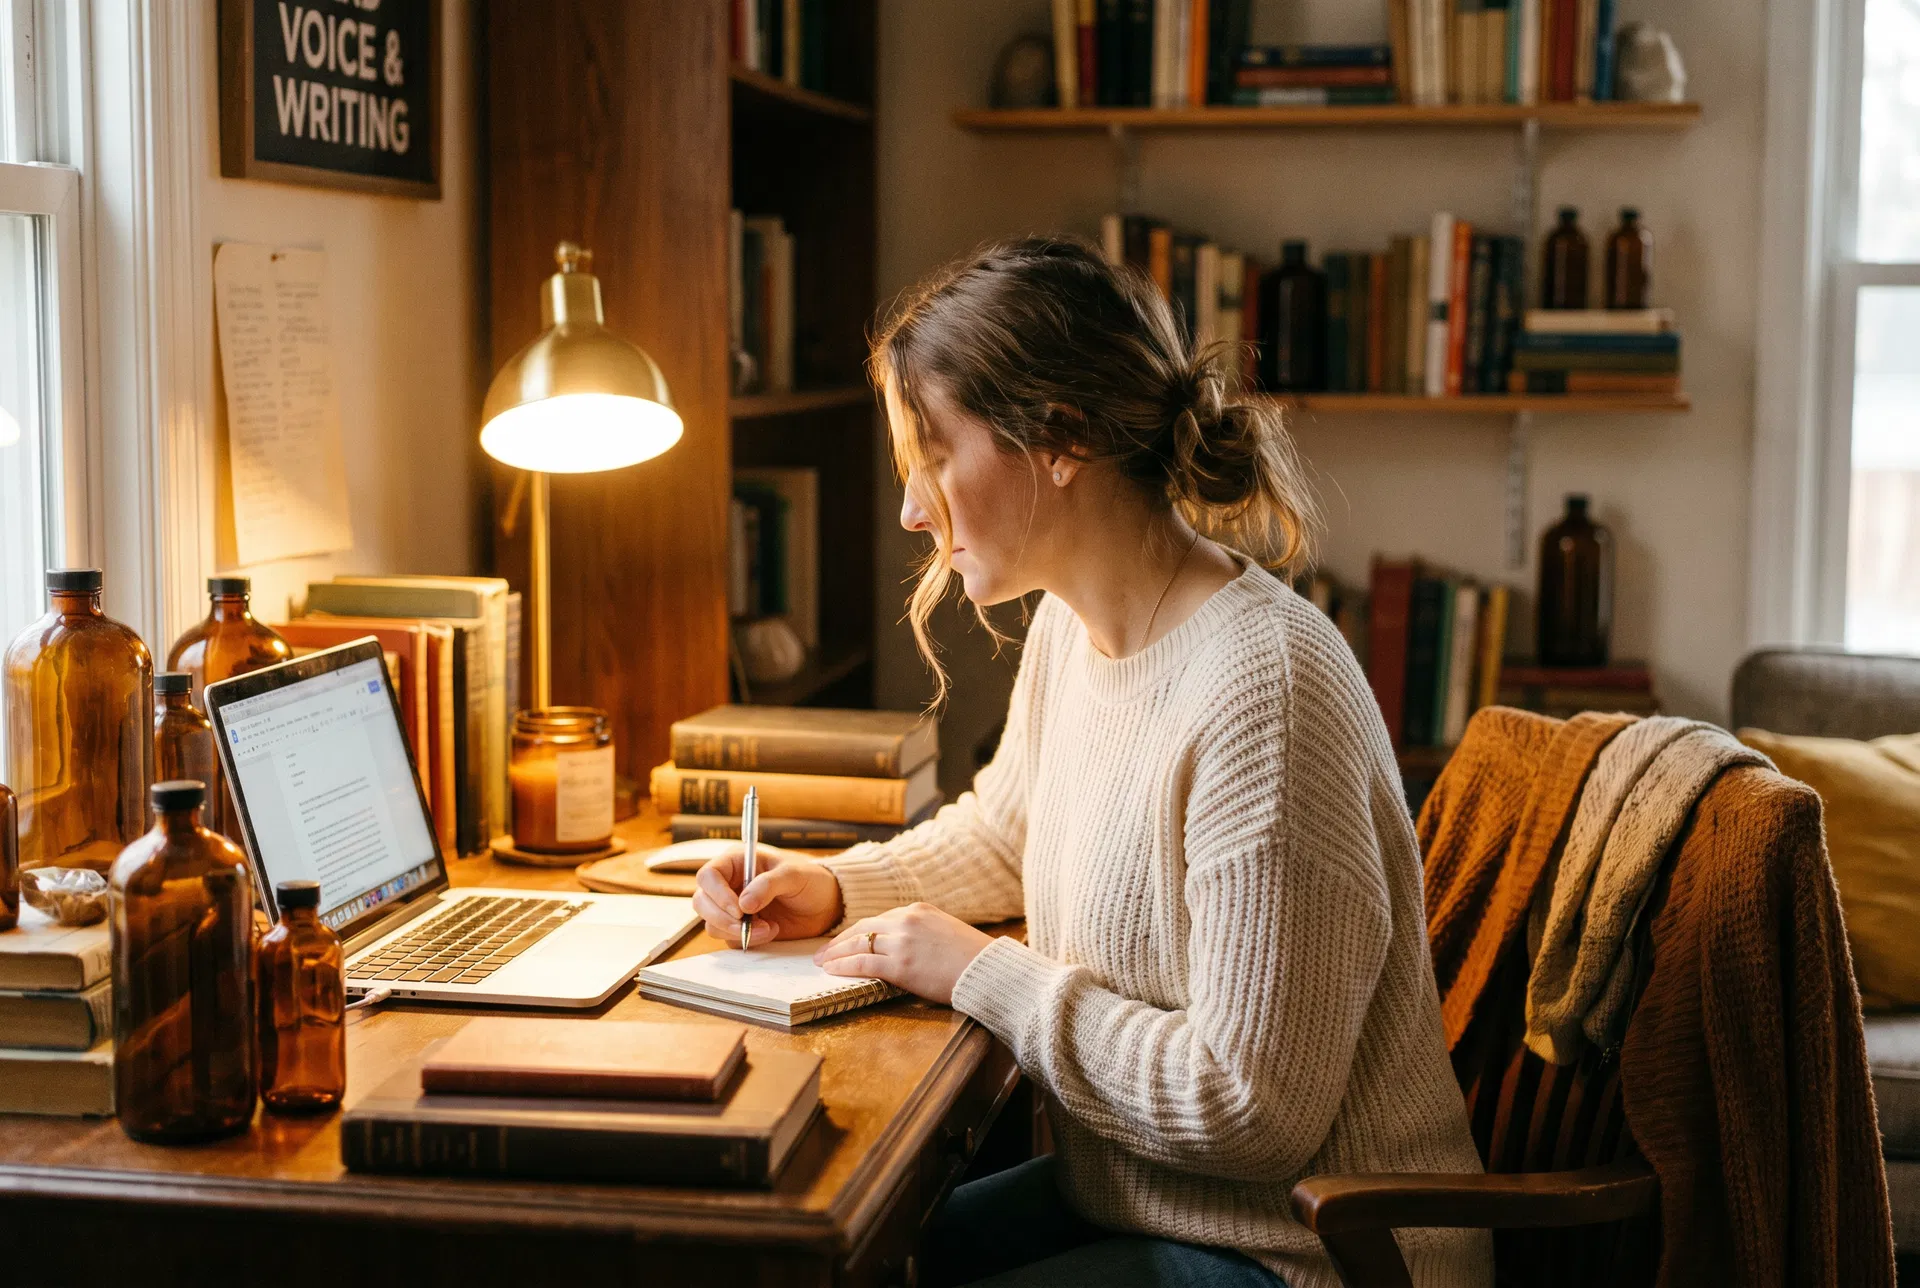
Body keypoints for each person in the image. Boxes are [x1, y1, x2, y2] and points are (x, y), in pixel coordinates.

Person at [692, 236, 1493, 1288]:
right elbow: (1004, 833)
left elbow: (1248, 1107)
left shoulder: (1266, 688)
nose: (911, 509)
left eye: (933, 456)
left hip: (1315, 1254)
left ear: (1059, 439)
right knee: (826, 1259)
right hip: (1162, 1203)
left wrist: (985, 974)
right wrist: (840, 887)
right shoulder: (1076, 628)